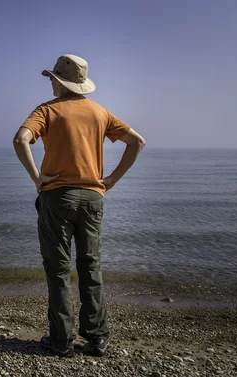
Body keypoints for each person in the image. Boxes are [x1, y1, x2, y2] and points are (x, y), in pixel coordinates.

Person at [12, 54, 146, 357]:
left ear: (60, 81)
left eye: (52, 78)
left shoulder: (47, 110)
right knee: (90, 266)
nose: (50, 82)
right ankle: (97, 338)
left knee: (58, 270)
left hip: (58, 196)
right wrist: (111, 180)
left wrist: (37, 177)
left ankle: (61, 341)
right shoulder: (100, 112)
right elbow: (137, 142)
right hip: (93, 198)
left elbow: (21, 140)